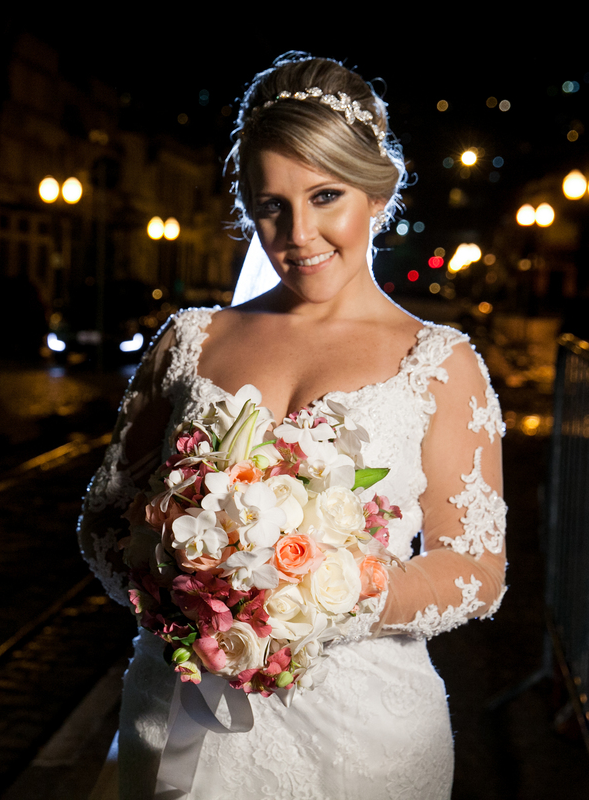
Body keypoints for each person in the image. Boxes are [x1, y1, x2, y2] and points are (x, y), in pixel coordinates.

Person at [78, 53, 507, 799]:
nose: (298, 233)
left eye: (326, 195)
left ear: (379, 194)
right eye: (270, 203)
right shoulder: (190, 341)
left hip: (365, 739)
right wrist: (183, 581)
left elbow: (475, 571)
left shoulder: (440, 362)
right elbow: (103, 518)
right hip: (181, 715)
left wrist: (319, 595)